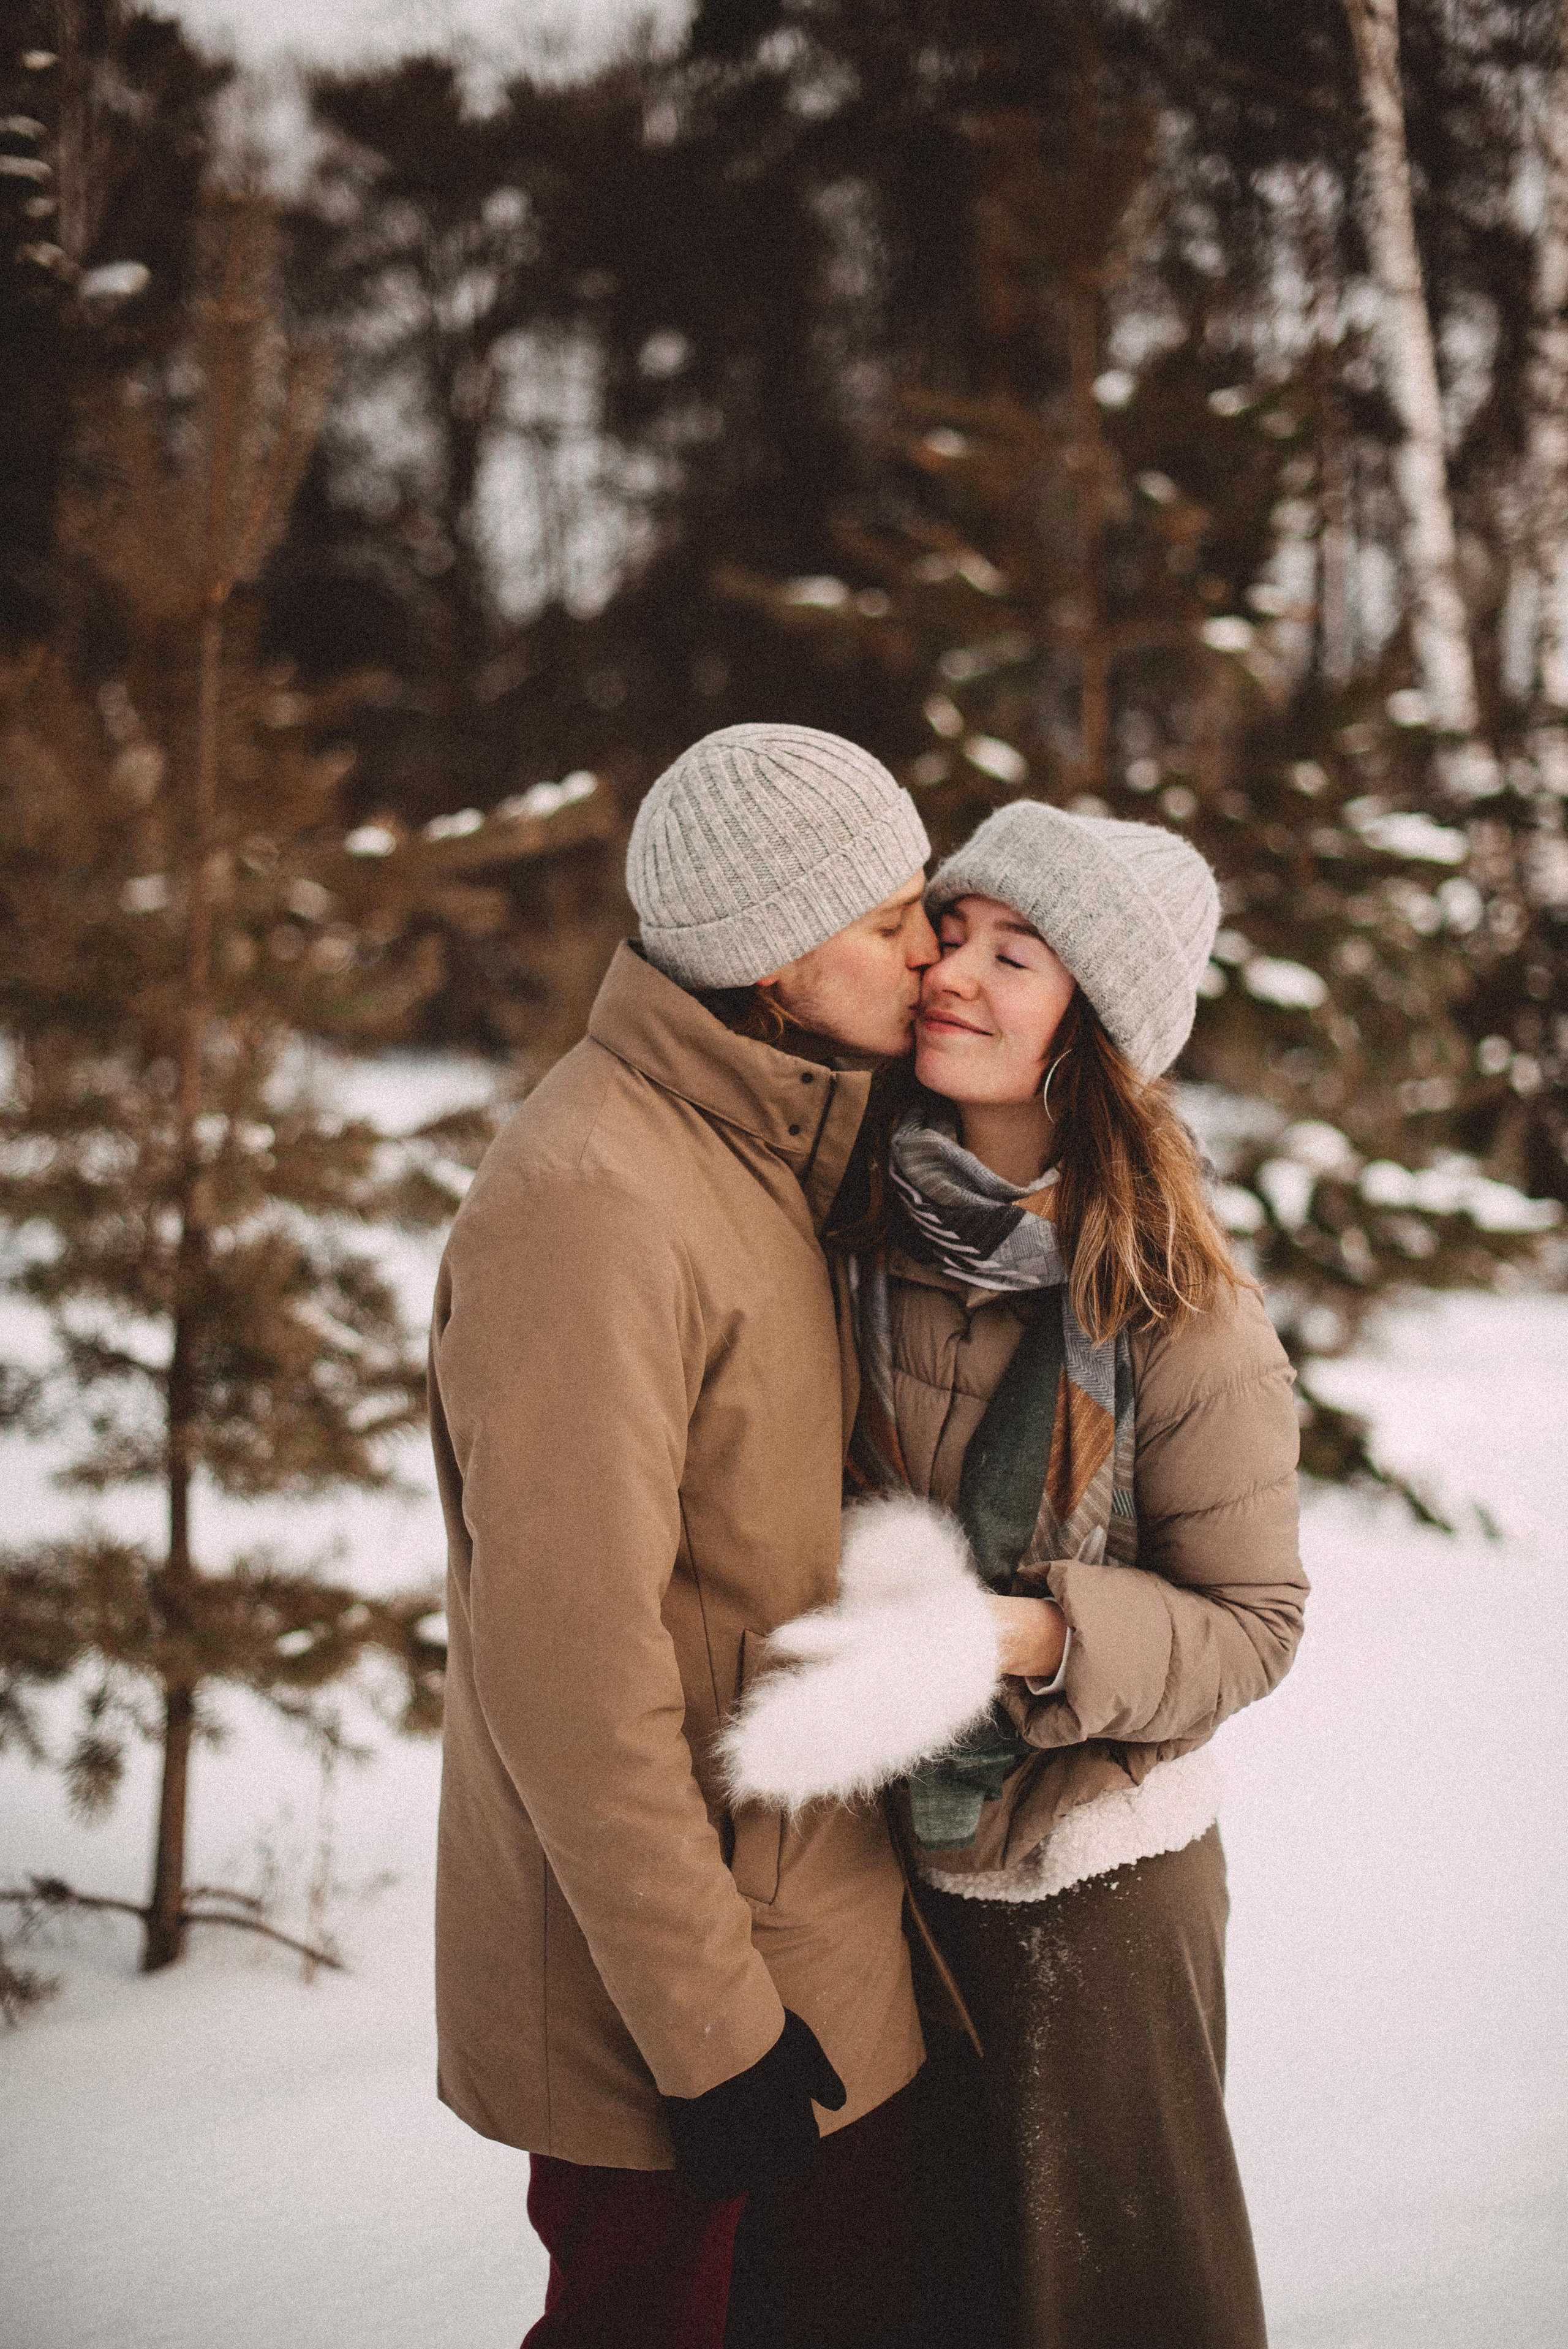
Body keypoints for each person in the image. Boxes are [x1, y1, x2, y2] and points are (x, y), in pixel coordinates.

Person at [723, 798, 1308, 2349]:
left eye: (1016, 956)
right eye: (953, 934)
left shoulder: (1179, 1310)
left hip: (1089, 1881)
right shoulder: (855, 1227)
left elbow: (1255, 1627)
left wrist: (1028, 1633)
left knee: (1098, 2298)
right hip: (879, 1873)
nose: (951, 975)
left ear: (1094, 1034)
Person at [428, 722, 940, 2349]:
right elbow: (571, 1675)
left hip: (815, 1941)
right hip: (674, 2010)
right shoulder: (593, 1196)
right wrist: (711, 2032)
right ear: (779, 964)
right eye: (892, 920)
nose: (929, 952)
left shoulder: (763, 1146)